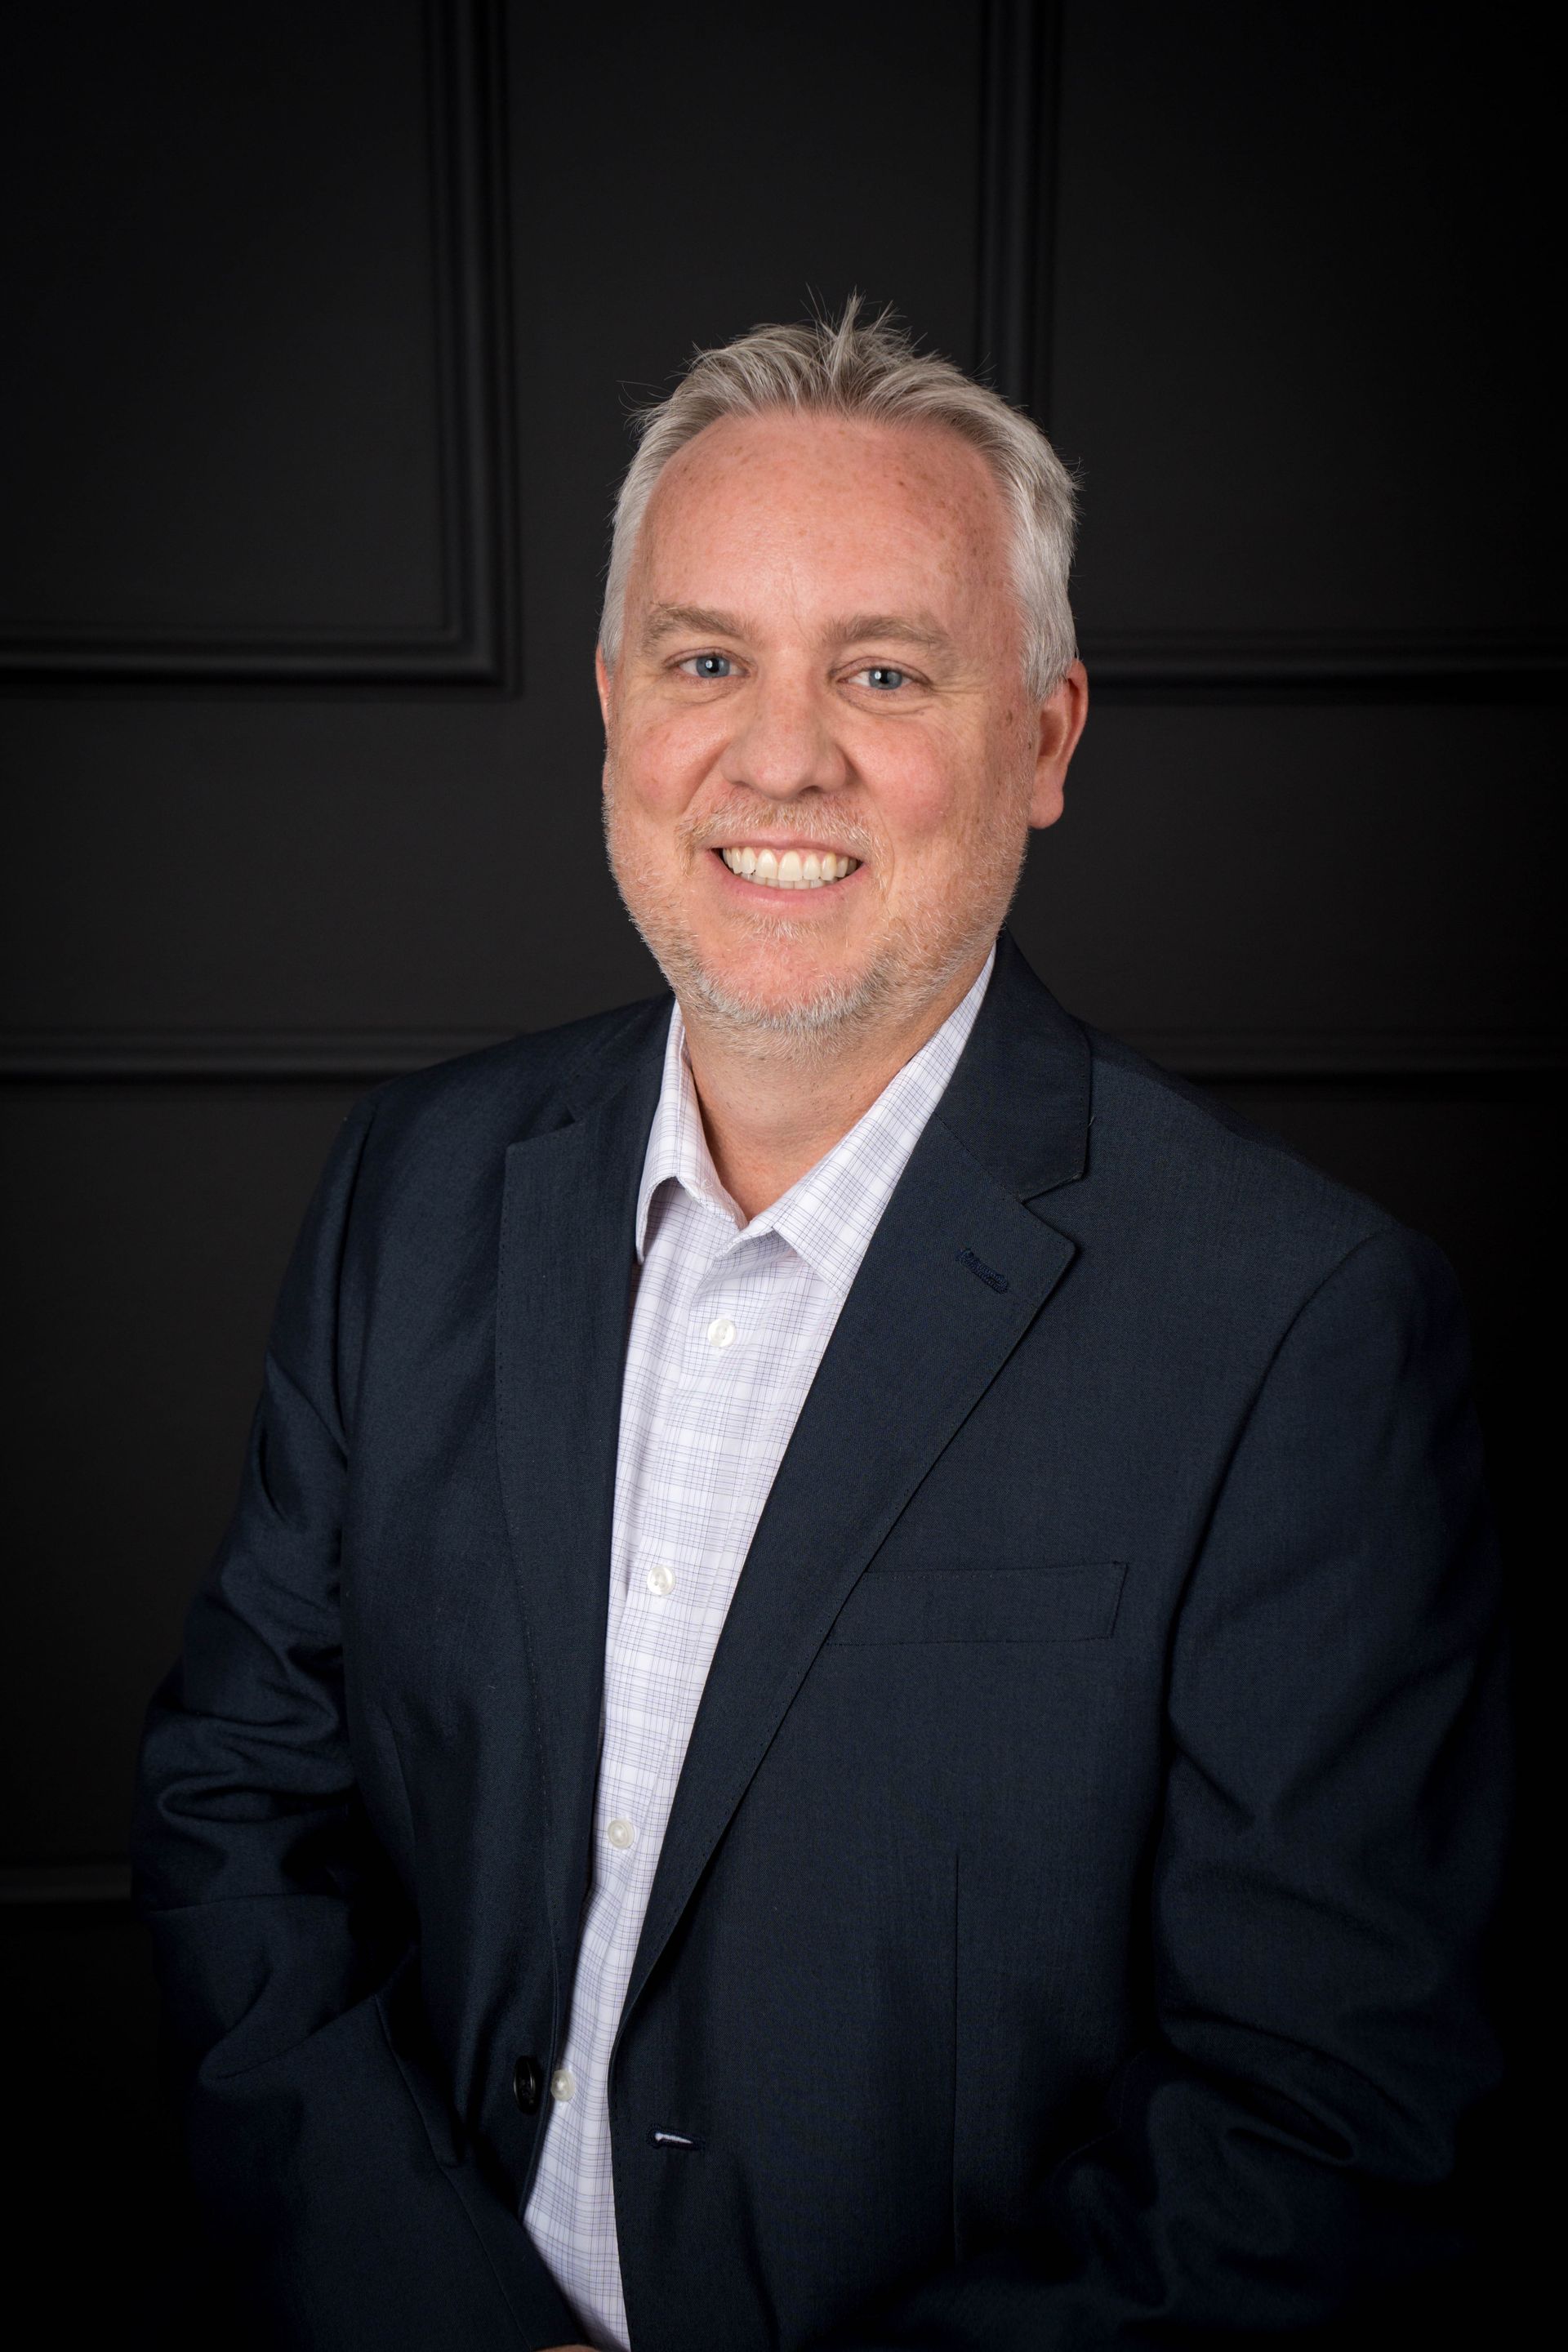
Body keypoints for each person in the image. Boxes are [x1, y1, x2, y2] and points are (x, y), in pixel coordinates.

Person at [134, 301, 1507, 2351]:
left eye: (883, 671)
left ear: (1041, 741)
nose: (780, 758)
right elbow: (240, 1799)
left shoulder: (1296, 1329)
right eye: (707, 662)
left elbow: (1317, 2118)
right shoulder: (410, 1192)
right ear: (615, 709)